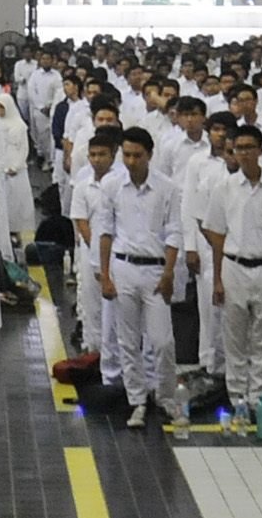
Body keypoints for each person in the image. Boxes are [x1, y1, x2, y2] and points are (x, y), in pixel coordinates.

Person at [205, 122, 262, 423]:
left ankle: (259, 394)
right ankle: (237, 395)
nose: (243, 154)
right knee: (234, 337)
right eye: (237, 149)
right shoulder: (224, 189)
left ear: (260, 150)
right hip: (233, 267)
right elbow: (216, 236)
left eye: (248, 148)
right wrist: (217, 278)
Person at [95, 127, 180, 429]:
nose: (131, 161)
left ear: (150, 155)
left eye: (137, 155)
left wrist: (169, 272)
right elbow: (105, 232)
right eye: (126, 155)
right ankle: (137, 401)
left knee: (162, 341)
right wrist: (105, 275)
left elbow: (174, 233)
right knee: (127, 341)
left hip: (156, 269)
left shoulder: (168, 188)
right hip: (123, 267)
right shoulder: (111, 185)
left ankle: (166, 398)